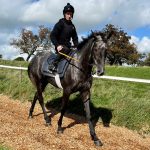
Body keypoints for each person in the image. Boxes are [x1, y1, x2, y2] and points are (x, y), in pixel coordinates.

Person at [49, 3, 78, 72]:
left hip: (68, 47)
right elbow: (52, 35)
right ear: (64, 14)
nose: (69, 15)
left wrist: (77, 46)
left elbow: (75, 38)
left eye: (71, 14)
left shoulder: (72, 26)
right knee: (65, 49)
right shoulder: (60, 23)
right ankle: (53, 64)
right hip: (60, 47)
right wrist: (57, 45)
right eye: (68, 14)